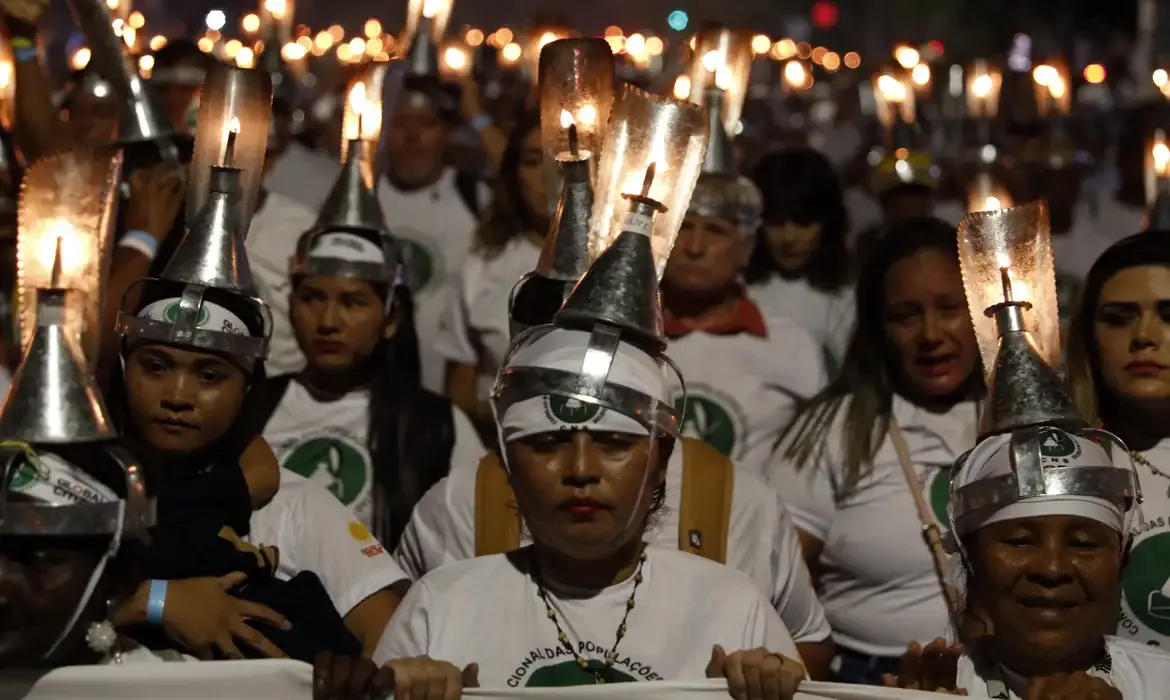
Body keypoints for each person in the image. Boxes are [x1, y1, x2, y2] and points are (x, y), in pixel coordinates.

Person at [767, 217, 983, 684]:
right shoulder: (835, 427)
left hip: (1000, 674)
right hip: (868, 679)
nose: (930, 334)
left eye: (950, 308)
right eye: (906, 315)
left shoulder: (1021, 416)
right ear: (879, 326)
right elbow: (772, 575)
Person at [886, 425, 1169, 697]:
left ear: (1120, 559)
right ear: (972, 559)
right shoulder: (932, 691)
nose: (1051, 568)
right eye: (1020, 541)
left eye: (1083, 544)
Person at [255, 224, 482, 548]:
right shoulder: (251, 409)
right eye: (312, 298)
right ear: (290, 306)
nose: (328, 321)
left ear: (391, 318)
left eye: (353, 302)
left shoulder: (438, 427)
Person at [1065, 230, 1170, 648]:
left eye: (1169, 314)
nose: (1144, 335)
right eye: (1118, 318)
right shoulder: (1056, 463)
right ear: (1090, 337)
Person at [438, 111, 544, 435]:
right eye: (533, 161)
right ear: (514, 174)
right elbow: (460, 386)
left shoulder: (619, 262)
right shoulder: (483, 263)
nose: (550, 175)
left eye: (563, 160)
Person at [380, 76, 485, 393]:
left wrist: (478, 116)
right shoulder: (364, 196)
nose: (412, 136)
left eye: (426, 124)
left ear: (447, 133)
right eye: (400, 124)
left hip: (449, 393)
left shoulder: (476, 198)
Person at [747, 148, 855, 374]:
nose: (789, 237)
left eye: (803, 223)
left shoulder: (849, 301)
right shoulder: (738, 293)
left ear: (827, 223)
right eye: (776, 222)